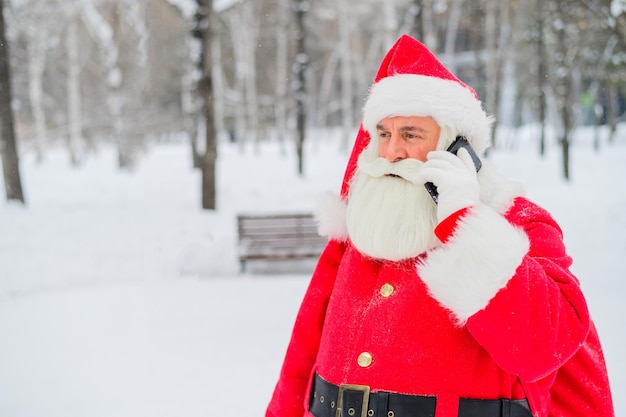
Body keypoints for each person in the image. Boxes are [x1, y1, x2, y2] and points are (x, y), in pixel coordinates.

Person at [265, 35, 614, 417]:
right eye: (384, 134)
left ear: (455, 146)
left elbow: (543, 349)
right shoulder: (362, 226)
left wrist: (466, 224)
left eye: (410, 135)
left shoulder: (515, 223)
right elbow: (303, 357)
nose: (392, 151)